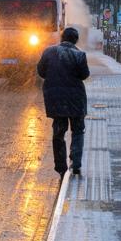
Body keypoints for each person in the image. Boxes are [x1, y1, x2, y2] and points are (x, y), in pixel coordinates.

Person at [36, 26, 89, 176]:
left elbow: (41, 71)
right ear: (76, 40)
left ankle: (61, 167)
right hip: (76, 101)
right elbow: (84, 75)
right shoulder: (80, 55)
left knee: (58, 133)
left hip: (56, 99)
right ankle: (76, 163)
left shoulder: (49, 52)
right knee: (78, 131)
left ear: (62, 37)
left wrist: (54, 77)